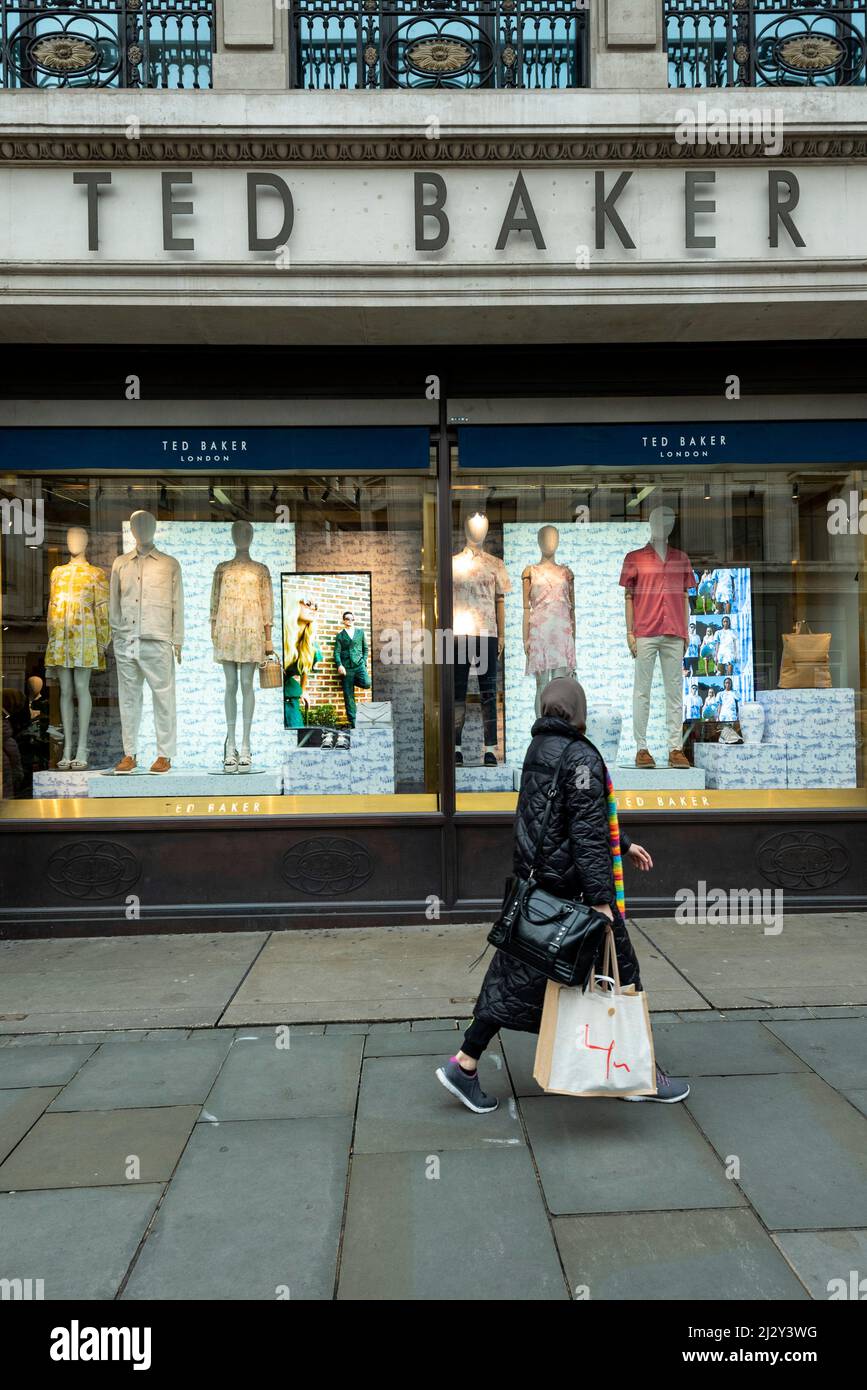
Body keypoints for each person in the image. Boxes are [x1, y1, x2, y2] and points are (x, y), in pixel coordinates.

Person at [436, 677, 690, 1112]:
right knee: (623, 975)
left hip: (540, 894)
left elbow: (560, 815)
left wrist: (622, 842)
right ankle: (638, 1075)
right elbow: (586, 834)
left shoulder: (541, 749)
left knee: (513, 980)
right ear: (578, 712)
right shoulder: (581, 755)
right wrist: (601, 900)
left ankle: (465, 1063)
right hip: (574, 894)